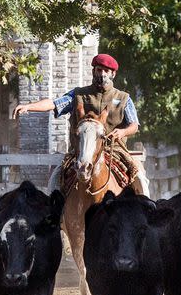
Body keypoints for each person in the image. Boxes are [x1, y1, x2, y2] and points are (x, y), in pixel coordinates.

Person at [12, 53, 149, 197]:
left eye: (106, 71)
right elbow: (54, 104)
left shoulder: (123, 98)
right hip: (80, 152)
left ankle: (148, 211)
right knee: (56, 178)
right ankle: (54, 215)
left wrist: (122, 132)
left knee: (139, 176)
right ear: (93, 71)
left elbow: (134, 125)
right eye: (98, 70)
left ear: (113, 74)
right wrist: (29, 107)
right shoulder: (78, 95)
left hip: (113, 150)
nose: (102, 74)